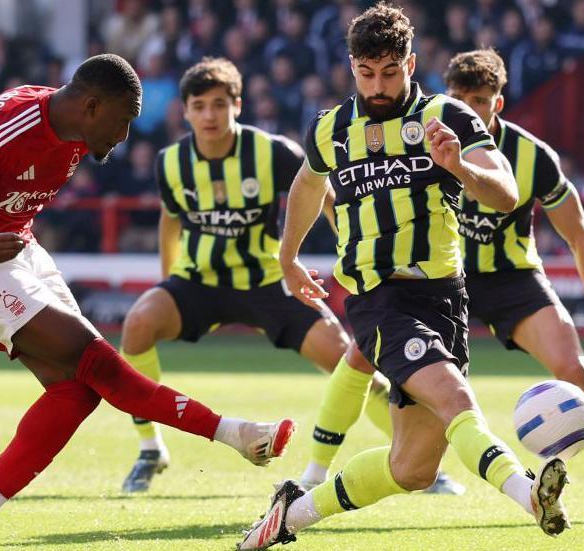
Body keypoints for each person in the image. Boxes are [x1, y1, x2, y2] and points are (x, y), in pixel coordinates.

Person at [0, 54, 295, 551]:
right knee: (98, 364)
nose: (126, 134)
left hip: (15, 248)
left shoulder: (77, 128)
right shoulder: (6, 129)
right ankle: (236, 433)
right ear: (91, 106)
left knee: (77, 390)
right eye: (123, 119)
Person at [238, 6, 570, 549]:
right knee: (456, 399)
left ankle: (291, 514)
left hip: (445, 298)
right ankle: (529, 494)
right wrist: (288, 257)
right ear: (352, 66)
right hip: (379, 298)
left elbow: (507, 193)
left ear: (411, 64)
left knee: (412, 467)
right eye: (367, 73)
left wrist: (459, 165)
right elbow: (307, 184)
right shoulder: (331, 127)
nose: (378, 86)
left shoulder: (449, 116)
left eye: (390, 72)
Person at [116, 57, 460, 495]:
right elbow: (170, 219)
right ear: (184, 111)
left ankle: (414, 457)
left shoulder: (272, 151)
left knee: (348, 356)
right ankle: (150, 448)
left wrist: (352, 247)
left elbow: (325, 194)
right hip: (199, 283)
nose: (209, 115)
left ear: (237, 105)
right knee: (138, 323)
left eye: (219, 104)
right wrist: (169, 281)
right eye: (199, 106)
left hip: (268, 282)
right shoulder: (170, 162)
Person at [445, 49, 584, 523]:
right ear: (447, 98)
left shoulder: (533, 156)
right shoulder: (423, 144)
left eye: (481, 101)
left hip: (513, 280)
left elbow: (580, 236)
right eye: (460, 99)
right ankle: (317, 475)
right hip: (443, 276)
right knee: (364, 360)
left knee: (577, 372)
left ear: (498, 103)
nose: (470, 110)